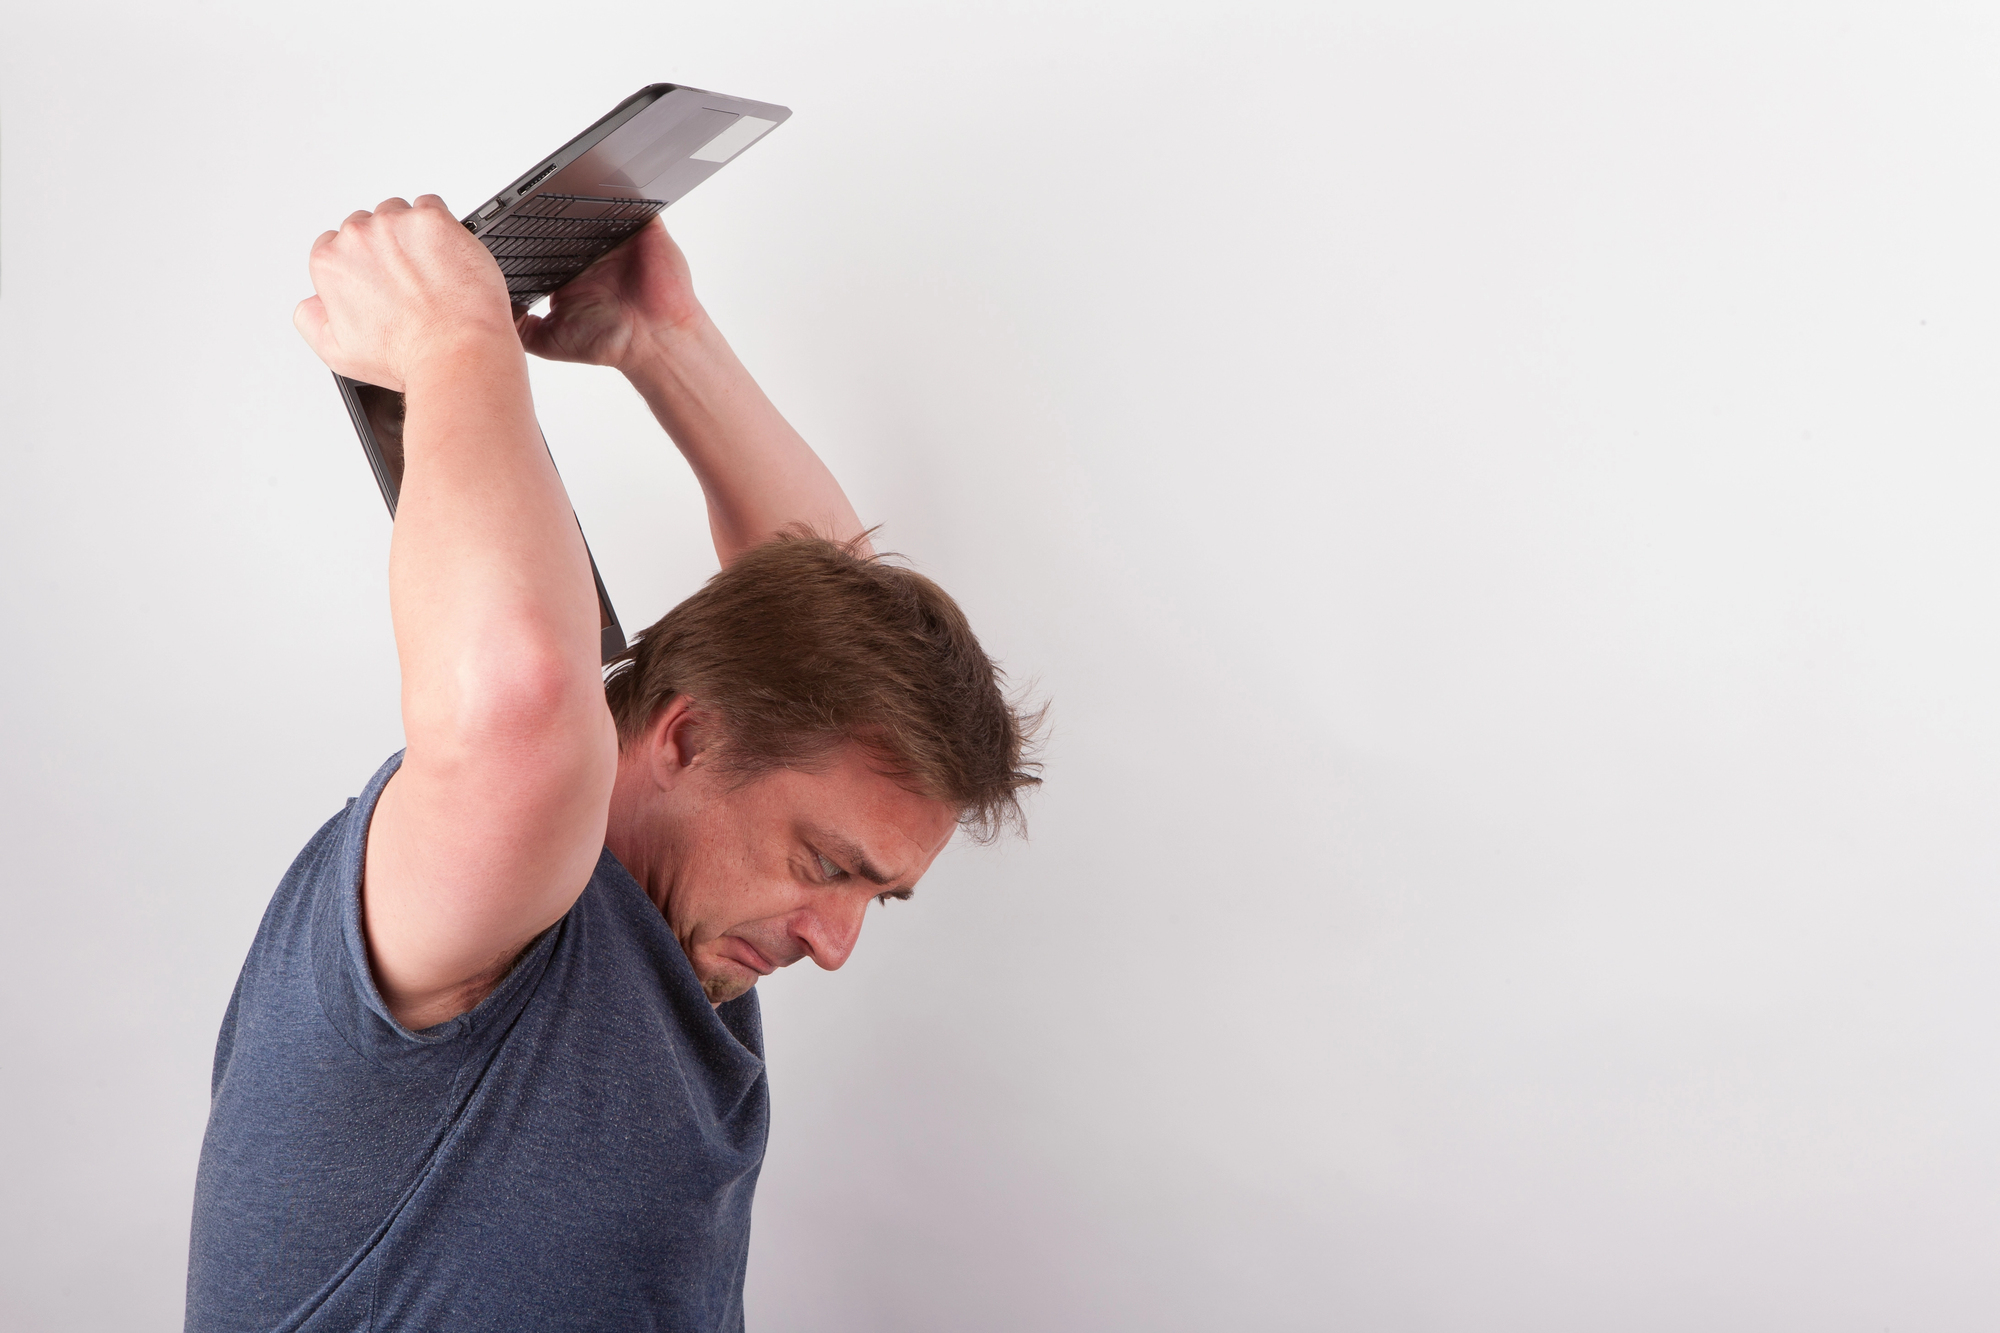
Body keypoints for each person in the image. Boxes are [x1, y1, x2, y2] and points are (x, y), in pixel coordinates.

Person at [184, 195, 1040, 1331]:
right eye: (824, 863)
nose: (834, 943)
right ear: (685, 736)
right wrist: (453, 338)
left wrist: (660, 339)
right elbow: (518, 704)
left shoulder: (686, 911)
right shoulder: (490, 908)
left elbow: (831, 602)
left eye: (875, 894)